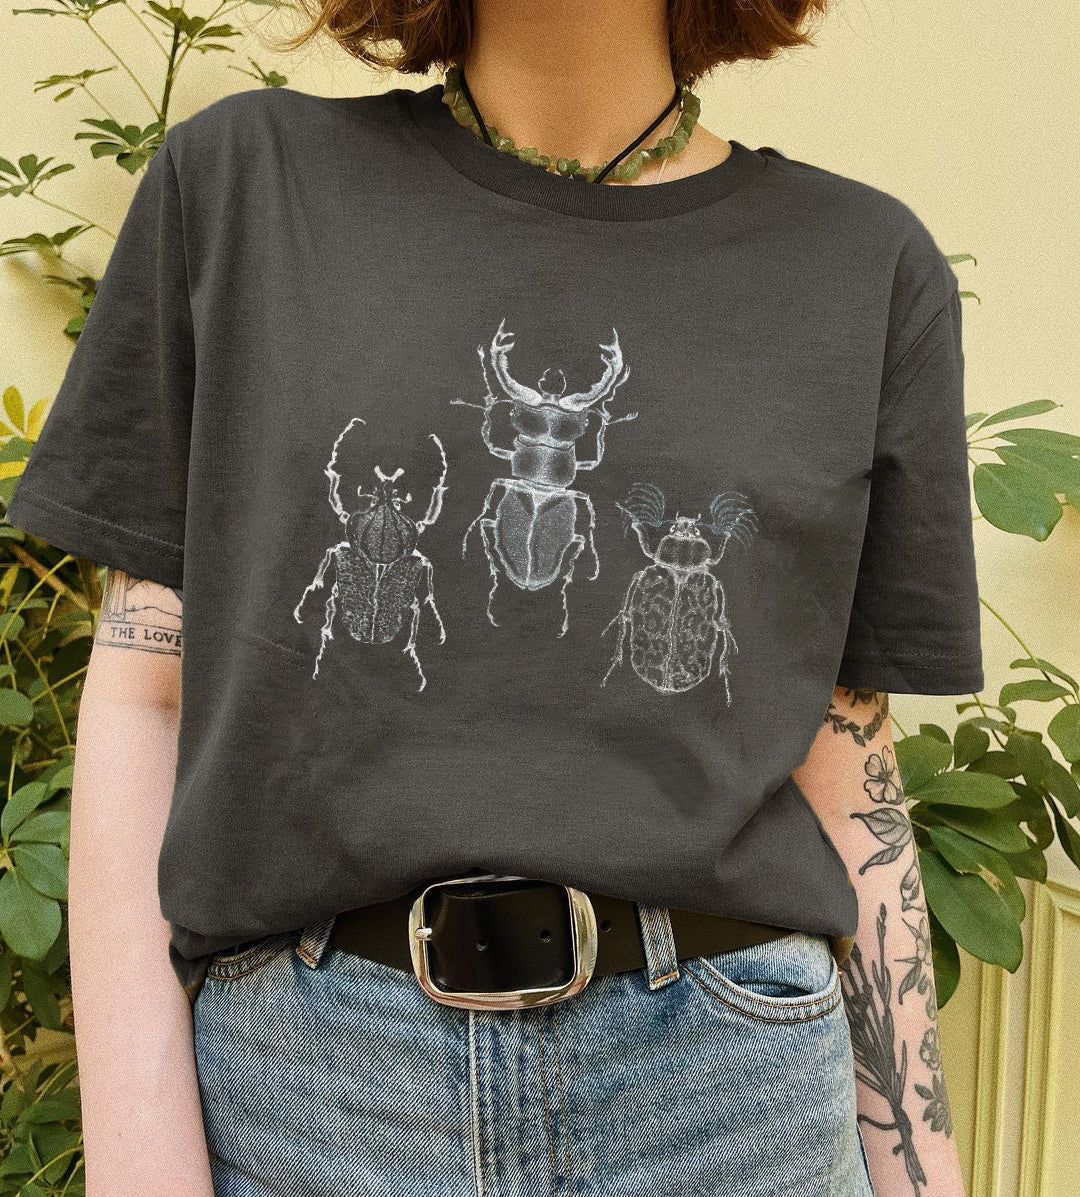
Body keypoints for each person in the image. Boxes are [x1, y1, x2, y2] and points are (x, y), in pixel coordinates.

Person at [5, 0, 981, 1193]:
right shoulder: (245, 184)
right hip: (315, 1093)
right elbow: (144, 696)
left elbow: (847, 763)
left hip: (731, 1094)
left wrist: (920, 1177)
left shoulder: (864, 263)